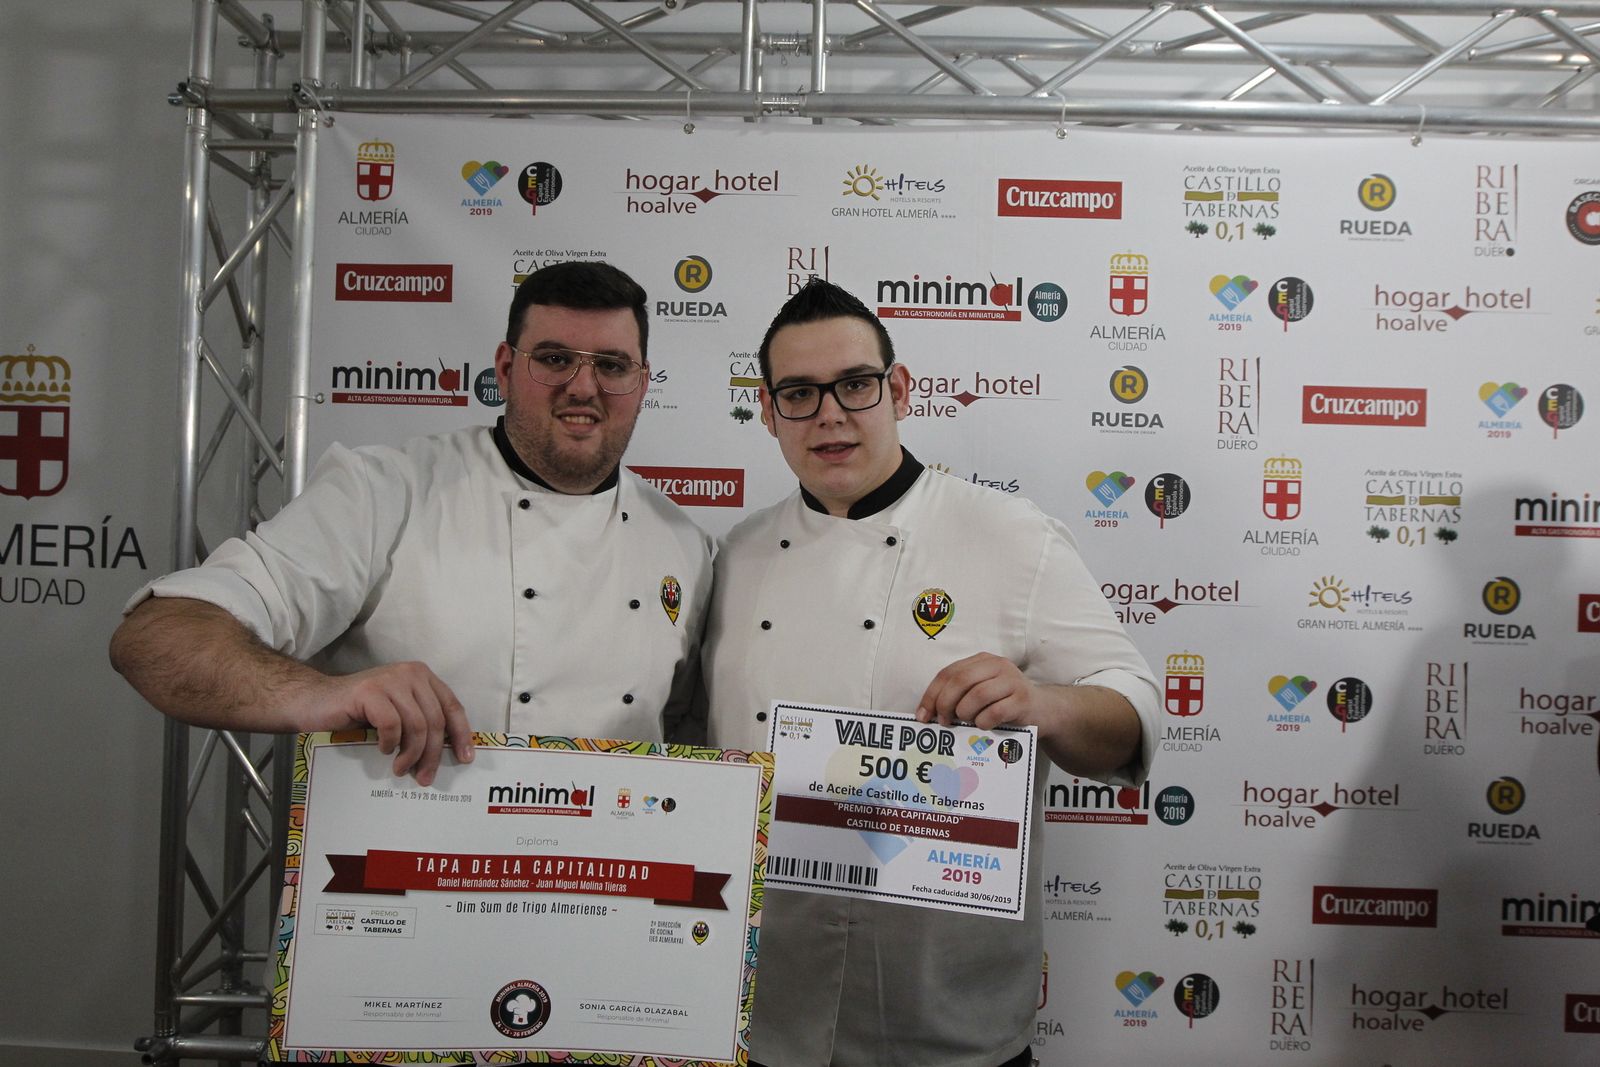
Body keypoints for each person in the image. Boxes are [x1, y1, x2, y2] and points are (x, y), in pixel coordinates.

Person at [702, 279, 1159, 1067]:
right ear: (769, 411)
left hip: (950, 1022)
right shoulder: (737, 555)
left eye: (854, 384)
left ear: (898, 388)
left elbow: (1133, 709)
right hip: (764, 1014)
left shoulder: (1011, 535)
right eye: (799, 394)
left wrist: (1042, 702)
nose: (831, 414)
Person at [111, 261, 712, 784]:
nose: (583, 388)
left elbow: (691, 741)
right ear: (504, 368)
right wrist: (322, 694)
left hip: (600, 891)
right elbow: (155, 638)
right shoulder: (382, 493)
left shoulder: (684, 546)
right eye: (554, 359)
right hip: (402, 889)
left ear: (642, 382)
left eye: (612, 365)